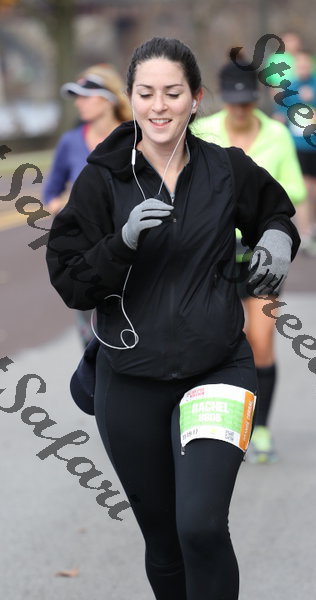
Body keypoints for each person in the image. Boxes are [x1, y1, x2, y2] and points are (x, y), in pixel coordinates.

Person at [46, 37, 300, 600]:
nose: (159, 106)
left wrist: (278, 240)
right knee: (163, 541)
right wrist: (121, 243)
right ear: (131, 98)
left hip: (218, 368)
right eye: (146, 93)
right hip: (129, 378)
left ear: (196, 99)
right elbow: (70, 281)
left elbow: (276, 213)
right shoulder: (102, 180)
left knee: (200, 527)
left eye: (172, 93)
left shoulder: (226, 169)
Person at [191, 60, 306, 463]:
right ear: (223, 99)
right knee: (216, 340)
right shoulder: (204, 132)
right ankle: (216, 424)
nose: (240, 109)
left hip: (261, 255)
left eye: (246, 101)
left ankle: (260, 428)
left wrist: (261, 208)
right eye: (233, 101)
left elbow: (293, 189)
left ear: (255, 98)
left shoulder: (276, 134)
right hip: (215, 256)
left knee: (260, 341)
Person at [43, 64, 132, 346]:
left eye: (85, 96)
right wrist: (65, 206)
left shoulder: (134, 136)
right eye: (76, 97)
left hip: (132, 246)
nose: (78, 103)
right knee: (93, 339)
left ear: (107, 99)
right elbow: (51, 192)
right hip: (87, 252)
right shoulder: (70, 142)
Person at [275, 49, 316, 255]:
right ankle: (305, 233)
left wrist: (314, 101)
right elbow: (281, 112)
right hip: (296, 144)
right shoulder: (289, 86)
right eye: (299, 65)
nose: (302, 68)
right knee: (303, 189)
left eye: (305, 65)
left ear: (311, 65)